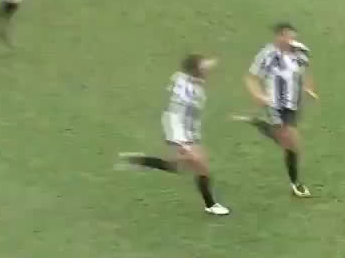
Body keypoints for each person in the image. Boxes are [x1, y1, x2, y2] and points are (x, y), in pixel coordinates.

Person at [119, 55, 231, 216]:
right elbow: (174, 116)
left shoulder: (185, 78)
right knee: (200, 166)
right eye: (203, 68)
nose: (206, 70)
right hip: (180, 133)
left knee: (179, 167)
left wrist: (211, 62)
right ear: (196, 71)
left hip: (191, 130)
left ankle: (142, 161)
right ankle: (210, 205)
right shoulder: (187, 92)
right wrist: (180, 142)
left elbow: (200, 68)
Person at [239, 23, 319, 198]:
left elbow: (306, 71)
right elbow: (251, 78)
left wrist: (309, 88)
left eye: (292, 36)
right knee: (292, 142)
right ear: (278, 37)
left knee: (289, 143)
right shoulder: (267, 55)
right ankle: (296, 184)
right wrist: (258, 95)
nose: (291, 40)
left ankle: (261, 124)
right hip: (274, 104)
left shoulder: (300, 51)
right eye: (287, 36)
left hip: (292, 104)